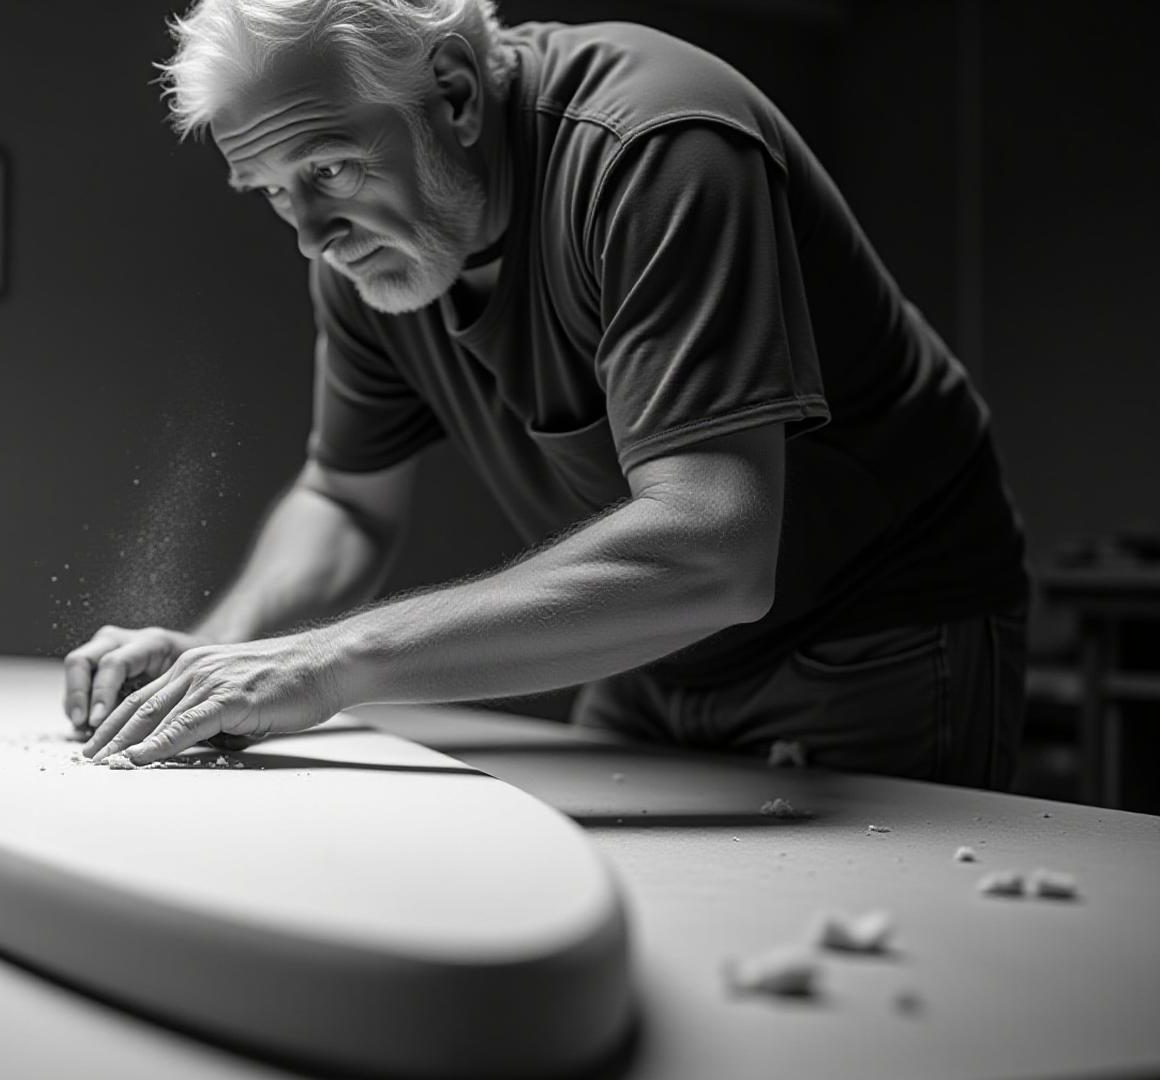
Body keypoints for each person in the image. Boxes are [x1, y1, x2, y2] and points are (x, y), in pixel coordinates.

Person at [65, 0, 1028, 788]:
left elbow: (717, 545)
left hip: (873, 640)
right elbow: (344, 502)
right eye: (273, 191)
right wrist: (212, 658)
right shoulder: (370, 251)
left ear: (452, 93)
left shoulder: (654, 147)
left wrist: (327, 662)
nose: (313, 236)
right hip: (653, 652)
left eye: (328, 169)